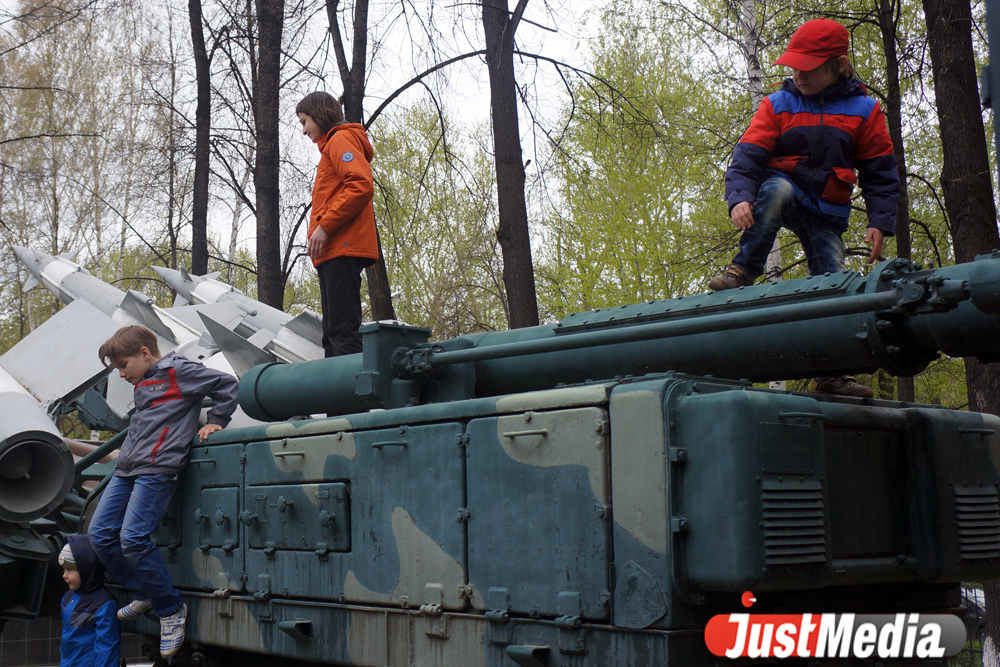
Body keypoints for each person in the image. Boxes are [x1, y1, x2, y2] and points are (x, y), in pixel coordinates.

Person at [711, 17, 899, 397]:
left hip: (827, 208)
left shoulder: (865, 110)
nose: (799, 75)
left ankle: (833, 373)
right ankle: (744, 268)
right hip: (786, 189)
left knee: (834, 283)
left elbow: (880, 171)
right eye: (794, 67)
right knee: (776, 187)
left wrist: (881, 220)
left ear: (838, 66)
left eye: (809, 69)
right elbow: (746, 157)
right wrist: (740, 198)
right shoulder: (778, 104)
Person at [89, 325, 239, 659]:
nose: (122, 373)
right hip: (127, 468)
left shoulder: (179, 371)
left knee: (133, 538)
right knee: (100, 534)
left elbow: (227, 383)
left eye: (123, 365)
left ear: (144, 353)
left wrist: (215, 420)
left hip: (156, 469)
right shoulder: (144, 383)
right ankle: (144, 590)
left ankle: (170, 609)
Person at [296, 91, 379, 357]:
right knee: (332, 333)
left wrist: (325, 227)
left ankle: (353, 395)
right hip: (332, 251)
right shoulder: (330, 147)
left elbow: (361, 185)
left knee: (343, 332)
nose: (304, 130)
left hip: (342, 246)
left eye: (304, 121)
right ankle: (336, 395)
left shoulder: (340, 139)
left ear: (319, 115)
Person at [58, 534, 120, 667]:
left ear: (85, 569)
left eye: (70, 569)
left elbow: (106, 649)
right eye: (63, 569)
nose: (64, 575)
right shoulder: (68, 598)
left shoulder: (104, 605)